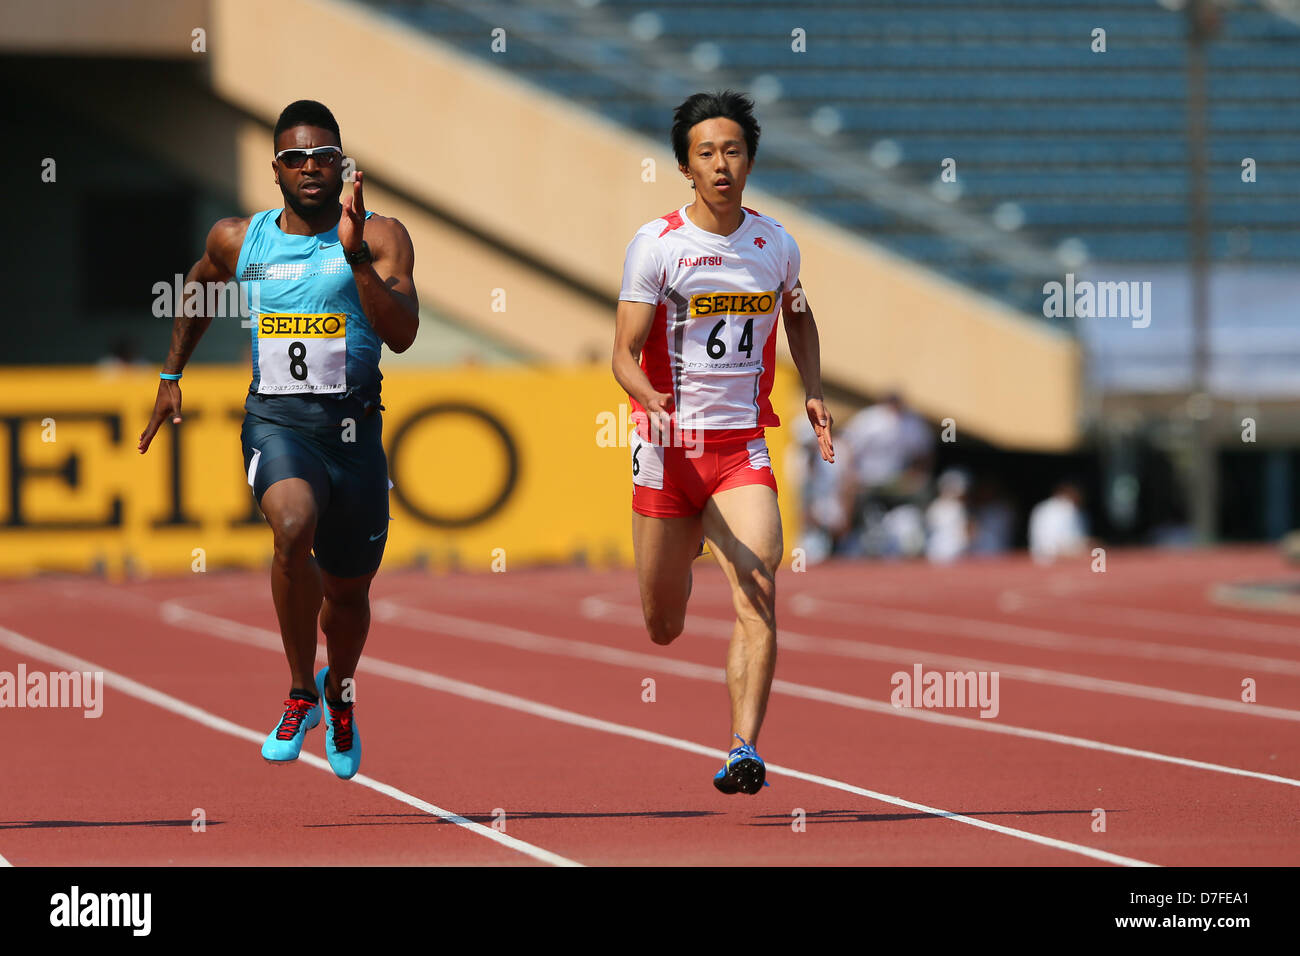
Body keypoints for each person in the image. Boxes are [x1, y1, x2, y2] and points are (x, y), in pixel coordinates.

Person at [138, 100, 419, 779]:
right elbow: (201, 289)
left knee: (348, 598)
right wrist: (172, 373)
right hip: (278, 422)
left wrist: (352, 256)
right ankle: (300, 689)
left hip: (353, 434)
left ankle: (338, 693)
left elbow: (402, 333)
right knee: (292, 526)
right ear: (275, 170)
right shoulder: (241, 239)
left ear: (343, 165)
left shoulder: (381, 237)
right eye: (296, 158)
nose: (311, 168)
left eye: (323, 156)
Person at [612, 90, 834, 794]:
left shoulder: (776, 244)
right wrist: (643, 394)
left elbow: (799, 318)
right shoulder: (659, 245)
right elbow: (622, 350)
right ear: (685, 166)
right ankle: (690, 541)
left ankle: (744, 748)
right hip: (669, 452)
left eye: (732, 151)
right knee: (663, 626)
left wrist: (815, 390)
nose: (720, 165)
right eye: (706, 153)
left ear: (750, 161)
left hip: (741, 447)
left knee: (760, 586)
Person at [1029, 481, 1089, 564]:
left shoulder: (1079, 512)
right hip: (1049, 559)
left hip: (1063, 555)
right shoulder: (1057, 508)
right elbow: (1052, 545)